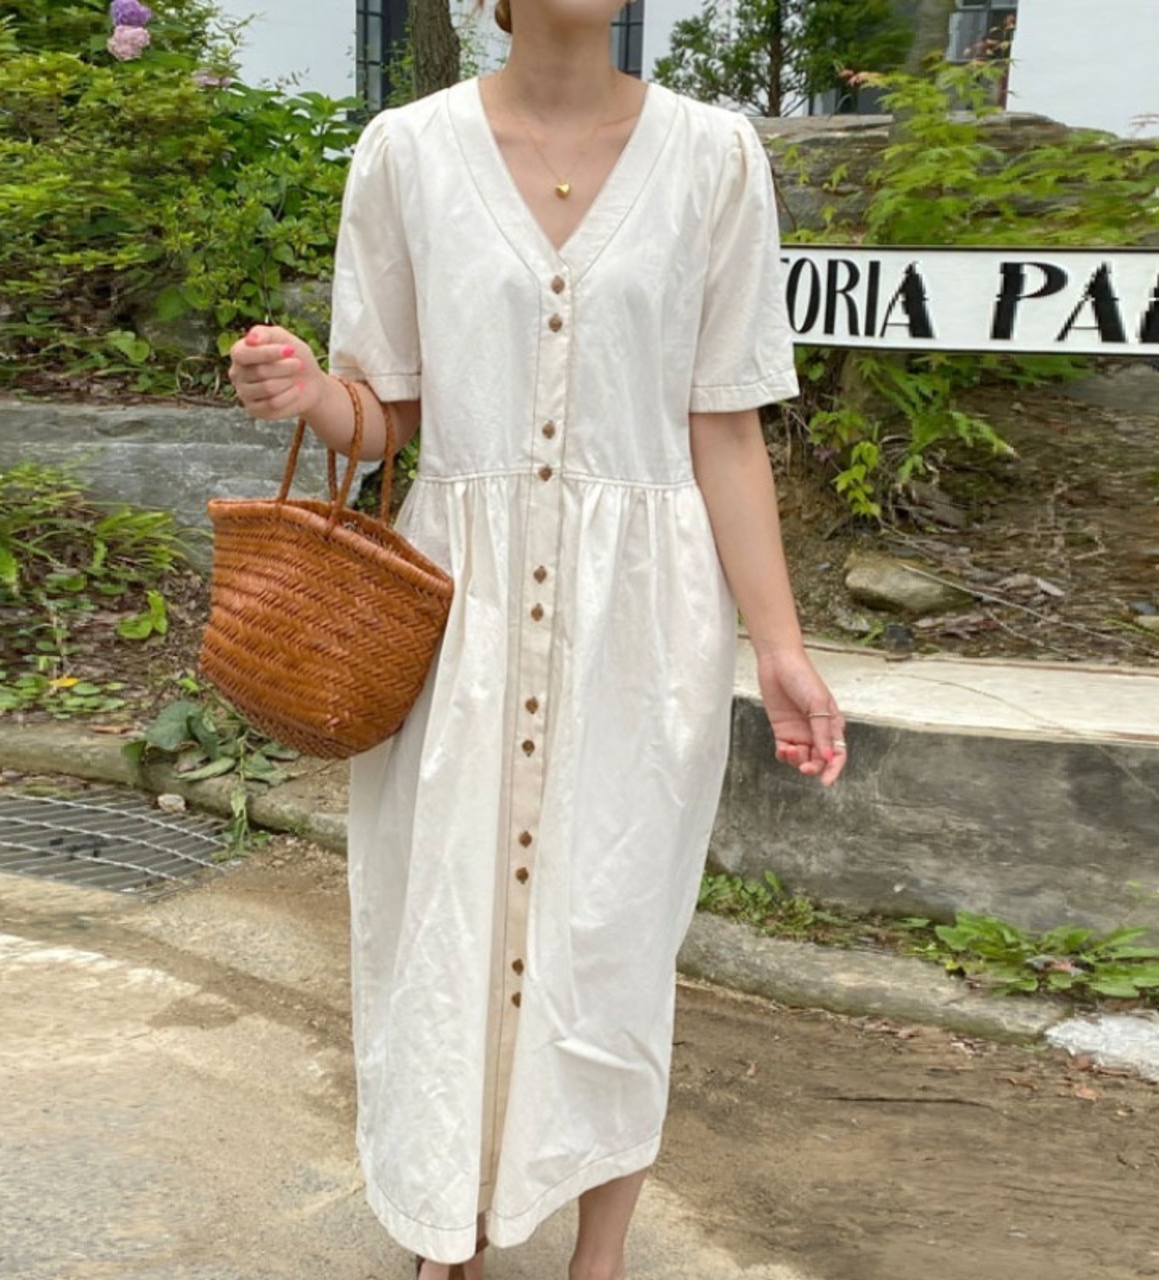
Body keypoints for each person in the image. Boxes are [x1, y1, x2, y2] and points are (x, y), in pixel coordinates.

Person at [227, 2, 848, 1276]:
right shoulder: (405, 152)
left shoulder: (714, 156)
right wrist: (310, 395)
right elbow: (384, 413)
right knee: (442, 920)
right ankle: (445, 1230)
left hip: (645, 621)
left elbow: (724, 424)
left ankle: (595, 1254)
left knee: (612, 933)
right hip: (458, 609)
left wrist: (778, 644)